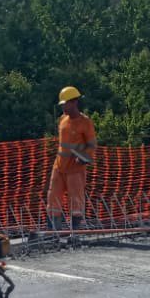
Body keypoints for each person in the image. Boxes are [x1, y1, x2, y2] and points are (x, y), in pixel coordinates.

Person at [46, 86, 97, 231]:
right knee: (53, 196)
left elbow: (92, 145)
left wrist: (84, 157)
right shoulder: (62, 119)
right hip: (59, 166)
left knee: (76, 199)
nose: (63, 107)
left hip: (75, 168)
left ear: (74, 102)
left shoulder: (85, 122)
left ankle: (76, 229)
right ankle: (53, 229)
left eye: (65, 104)